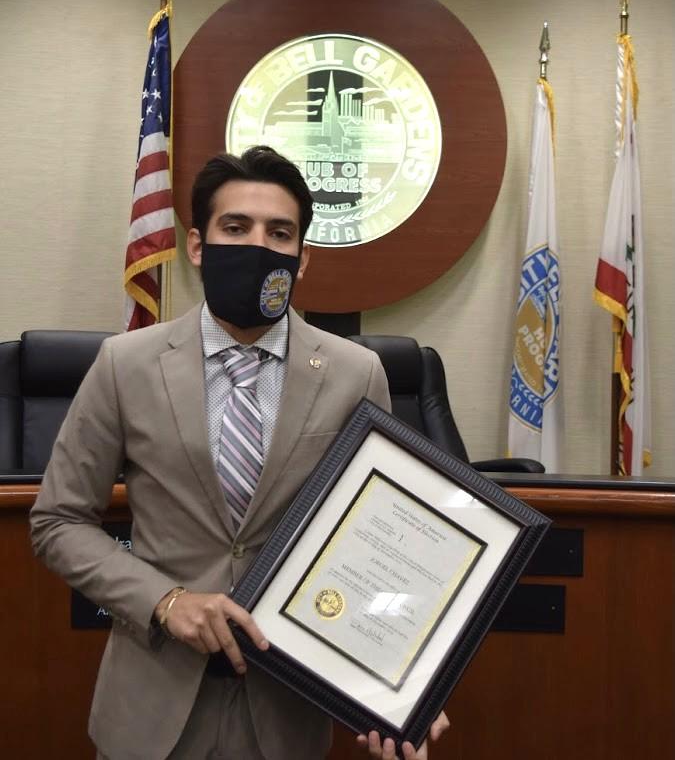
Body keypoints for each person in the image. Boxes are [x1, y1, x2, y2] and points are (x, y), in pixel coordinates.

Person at [30, 146, 448, 760]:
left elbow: (385, 539)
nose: (258, 245)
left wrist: (409, 682)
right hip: (152, 703)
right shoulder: (126, 364)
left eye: (279, 233)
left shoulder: (357, 373)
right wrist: (165, 601)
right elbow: (57, 521)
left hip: (287, 708)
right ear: (197, 246)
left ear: (302, 258)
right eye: (235, 227)